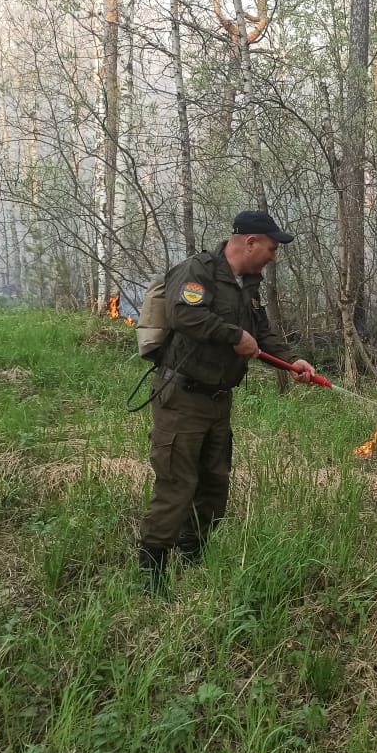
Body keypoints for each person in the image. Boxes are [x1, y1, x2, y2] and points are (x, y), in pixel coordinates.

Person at [138, 209, 316, 595]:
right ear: (250, 242)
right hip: (182, 396)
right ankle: (152, 571)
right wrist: (232, 335)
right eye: (270, 248)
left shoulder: (248, 284)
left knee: (214, 484)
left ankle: (193, 555)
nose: (273, 256)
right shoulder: (197, 272)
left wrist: (292, 362)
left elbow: (262, 333)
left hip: (219, 401)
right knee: (177, 483)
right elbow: (185, 315)